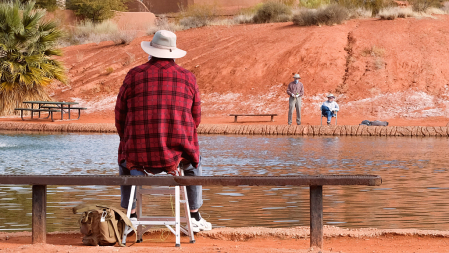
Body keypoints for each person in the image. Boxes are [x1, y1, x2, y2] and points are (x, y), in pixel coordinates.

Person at [115, 30, 211, 232]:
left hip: (138, 155)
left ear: (151, 52)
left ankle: (130, 215)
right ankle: (194, 215)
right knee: (194, 161)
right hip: (177, 155)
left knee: (124, 158)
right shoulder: (188, 77)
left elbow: (120, 115)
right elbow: (196, 119)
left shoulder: (134, 75)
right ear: (173, 54)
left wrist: (127, 139)